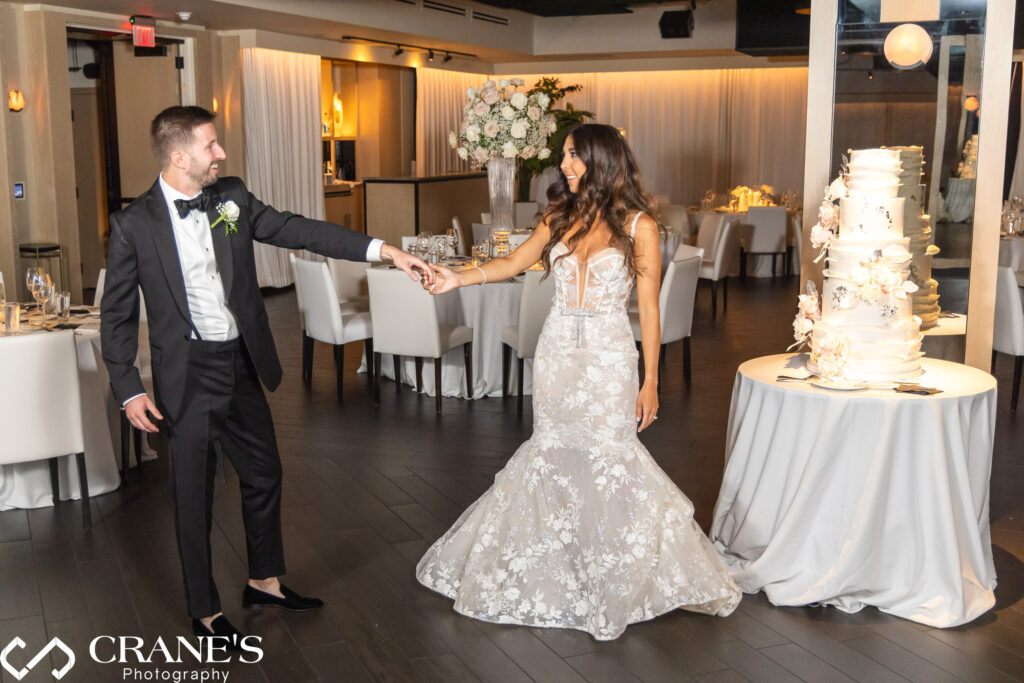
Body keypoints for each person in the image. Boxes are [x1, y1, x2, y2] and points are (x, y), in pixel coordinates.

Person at [101, 105, 431, 647]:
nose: (221, 154)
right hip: (187, 376)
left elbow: (296, 229)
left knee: (264, 473)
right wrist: (129, 388)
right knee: (193, 495)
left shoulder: (230, 196)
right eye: (211, 146)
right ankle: (205, 613)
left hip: (240, 362)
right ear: (179, 156)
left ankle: (264, 580)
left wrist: (383, 250)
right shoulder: (133, 224)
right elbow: (114, 315)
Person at [416, 124, 740, 640]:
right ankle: (559, 565)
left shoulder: (640, 226)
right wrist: (460, 276)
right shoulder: (558, 216)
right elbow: (513, 263)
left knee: (611, 455)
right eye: (564, 155)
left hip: (610, 357)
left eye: (573, 156)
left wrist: (651, 379)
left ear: (602, 160)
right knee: (552, 450)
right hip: (557, 354)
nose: (563, 165)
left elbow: (650, 311)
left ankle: (615, 569)